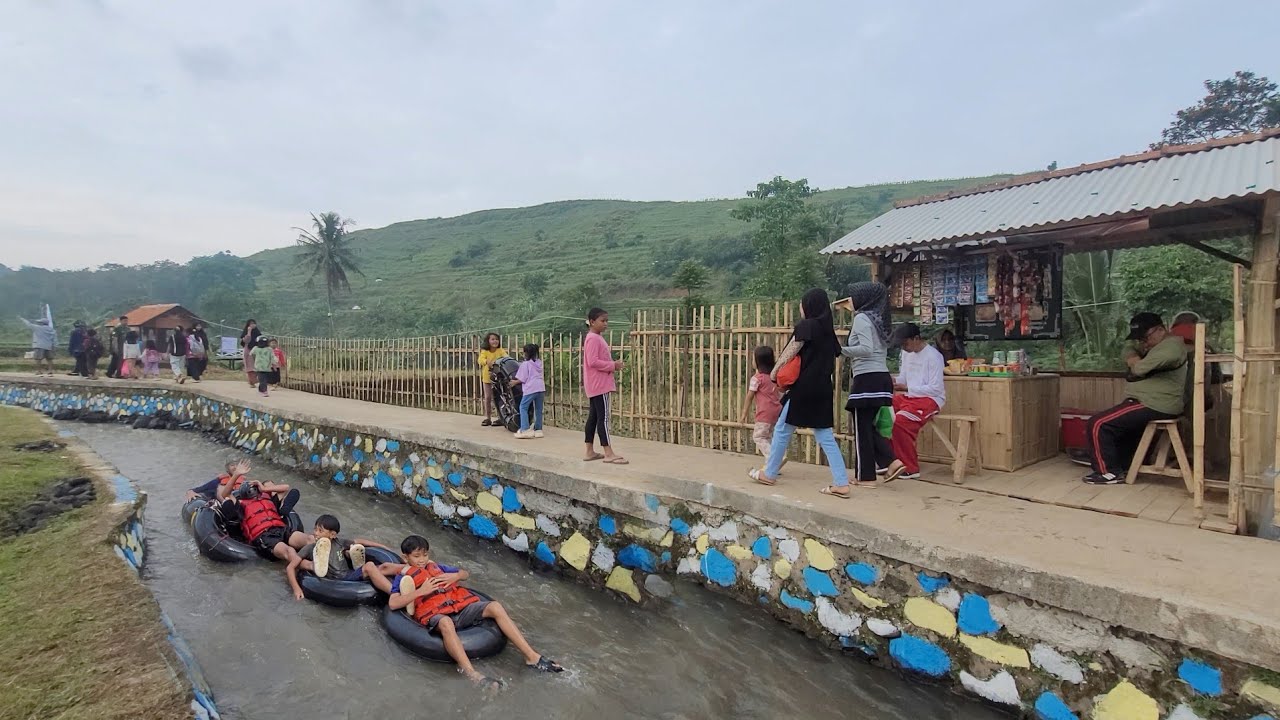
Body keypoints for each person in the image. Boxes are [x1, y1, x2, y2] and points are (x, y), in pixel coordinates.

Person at [389, 534, 563, 690]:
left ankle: (531, 656)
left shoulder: (437, 568)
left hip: (460, 608)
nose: (422, 560)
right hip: (437, 615)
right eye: (416, 556)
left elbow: (465, 573)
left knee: (495, 606)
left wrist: (456, 576)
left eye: (425, 555)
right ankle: (472, 674)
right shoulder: (404, 578)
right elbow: (393, 603)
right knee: (446, 623)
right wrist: (421, 591)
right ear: (406, 557)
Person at [748, 288, 850, 497]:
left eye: (803, 304)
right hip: (822, 387)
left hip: (803, 388)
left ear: (809, 305)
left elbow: (789, 353)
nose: (801, 308)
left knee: (783, 428)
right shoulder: (826, 330)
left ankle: (770, 473)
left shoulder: (806, 326)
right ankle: (841, 482)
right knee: (825, 435)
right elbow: (837, 353)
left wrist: (775, 375)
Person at [1082, 312, 1188, 485]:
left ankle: (1108, 472)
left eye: (1145, 338)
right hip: (1147, 401)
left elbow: (1138, 369)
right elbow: (1128, 349)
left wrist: (1134, 362)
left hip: (1155, 403)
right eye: (1140, 339)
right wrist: (1134, 356)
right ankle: (1123, 465)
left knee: (1098, 424)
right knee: (1120, 428)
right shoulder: (1154, 346)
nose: (1142, 343)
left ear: (1160, 330)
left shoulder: (1172, 347)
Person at [841, 282, 903, 488]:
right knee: (867, 427)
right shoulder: (879, 320)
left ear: (863, 298)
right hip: (881, 376)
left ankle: (866, 477)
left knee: (861, 428)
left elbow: (866, 349)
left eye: (852, 297)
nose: (849, 301)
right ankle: (890, 462)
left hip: (867, 378)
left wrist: (841, 350)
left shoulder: (861, 318)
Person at [284, 514, 395, 600]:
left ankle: (404, 574)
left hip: (348, 575)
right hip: (333, 581)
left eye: (320, 531)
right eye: (315, 529)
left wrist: (383, 547)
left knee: (378, 566)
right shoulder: (311, 548)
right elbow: (291, 567)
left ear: (332, 534)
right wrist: (296, 589)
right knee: (370, 567)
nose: (315, 533)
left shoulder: (339, 543)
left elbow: (359, 541)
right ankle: (394, 594)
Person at [887, 323, 946, 481]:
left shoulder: (934, 356)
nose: (904, 347)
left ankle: (910, 467)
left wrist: (907, 387)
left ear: (916, 339)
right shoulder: (906, 354)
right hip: (910, 396)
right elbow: (903, 378)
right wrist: (893, 381)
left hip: (930, 399)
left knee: (900, 422)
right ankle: (890, 460)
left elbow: (935, 388)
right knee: (883, 410)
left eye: (906, 343)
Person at [218, 480, 311, 563]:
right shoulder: (240, 506)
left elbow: (286, 487)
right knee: (289, 551)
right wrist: (237, 474)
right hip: (264, 536)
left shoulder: (268, 499)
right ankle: (308, 567)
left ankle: (321, 560)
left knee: (309, 539)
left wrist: (264, 488)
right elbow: (226, 493)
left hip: (281, 528)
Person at [582, 308, 627, 464]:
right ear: (592, 322)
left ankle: (589, 451)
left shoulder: (593, 337)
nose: (605, 324)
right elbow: (593, 361)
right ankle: (608, 453)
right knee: (604, 419)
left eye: (607, 320)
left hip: (594, 384)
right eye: (602, 320)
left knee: (594, 418)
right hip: (600, 384)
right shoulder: (594, 338)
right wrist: (613, 365)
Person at [739, 345, 785, 472]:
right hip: (777, 412)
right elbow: (781, 393)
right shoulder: (774, 377)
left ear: (757, 361)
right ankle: (772, 466)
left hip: (764, 413)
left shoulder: (757, 379)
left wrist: (744, 413)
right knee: (768, 437)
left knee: (758, 437)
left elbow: (749, 396)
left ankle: (773, 459)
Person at [511, 343, 545, 439]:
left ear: (526, 353)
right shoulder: (539, 362)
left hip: (531, 388)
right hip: (541, 388)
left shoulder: (525, 364)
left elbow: (523, 378)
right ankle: (538, 430)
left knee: (523, 407)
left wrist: (514, 382)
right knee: (538, 409)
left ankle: (525, 429)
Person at [477, 333, 508, 427]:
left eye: (497, 339)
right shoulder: (485, 351)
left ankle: (501, 418)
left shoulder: (500, 350)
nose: (495, 341)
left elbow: (506, 357)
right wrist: (486, 361)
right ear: (488, 341)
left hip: (498, 378)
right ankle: (488, 418)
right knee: (487, 398)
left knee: (499, 398)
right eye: (493, 339)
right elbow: (480, 360)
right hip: (487, 377)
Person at [241, 319, 261, 387]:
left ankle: (255, 380)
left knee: (257, 366)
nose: (253, 325)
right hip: (248, 351)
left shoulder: (258, 333)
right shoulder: (245, 333)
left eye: (254, 323)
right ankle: (251, 382)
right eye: (251, 323)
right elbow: (247, 341)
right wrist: (249, 331)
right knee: (250, 367)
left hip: (257, 351)